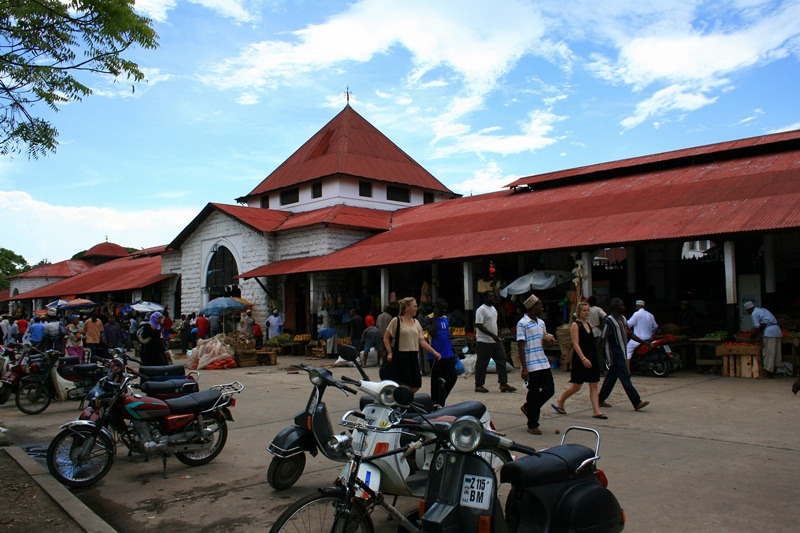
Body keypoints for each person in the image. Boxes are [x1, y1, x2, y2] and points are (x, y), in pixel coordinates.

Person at [553, 302, 606, 418]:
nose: (586, 313)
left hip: (592, 357)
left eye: (588, 310)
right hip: (581, 358)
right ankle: (561, 400)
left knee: (594, 385)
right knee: (577, 385)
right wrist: (583, 358)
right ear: (579, 312)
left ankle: (596, 411)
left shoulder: (588, 325)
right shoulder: (575, 325)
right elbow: (576, 343)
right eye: (584, 310)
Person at [598, 298, 650, 411]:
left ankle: (599, 399)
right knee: (625, 377)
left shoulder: (623, 319)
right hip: (614, 354)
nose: (623, 307)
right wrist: (595, 354)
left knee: (611, 378)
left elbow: (630, 334)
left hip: (622, 352)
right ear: (615, 307)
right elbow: (602, 338)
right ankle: (636, 402)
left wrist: (644, 342)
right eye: (621, 305)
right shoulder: (609, 321)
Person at [382, 297, 440, 393]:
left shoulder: (416, 322)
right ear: (407, 308)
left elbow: (421, 341)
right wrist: (390, 352)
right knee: (403, 383)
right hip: (400, 356)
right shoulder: (396, 321)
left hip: (413, 356)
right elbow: (386, 338)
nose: (417, 308)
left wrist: (434, 352)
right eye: (415, 306)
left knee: (416, 384)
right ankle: (401, 399)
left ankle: (402, 398)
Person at [516, 294, 555, 435]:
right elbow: (520, 347)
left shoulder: (541, 323)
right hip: (531, 364)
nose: (542, 308)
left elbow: (544, 340)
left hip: (543, 362)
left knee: (549, 390)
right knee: (533, 394)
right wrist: (524, 368)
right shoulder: (522, 323)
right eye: (540, 306)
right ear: (533, 307)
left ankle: (528, 408)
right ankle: (533, 424)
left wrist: (549, 342)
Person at [474, 291, 516, 393]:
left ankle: (503, 384)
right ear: (485, 298)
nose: (492, 298)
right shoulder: (481, 310)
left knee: (502, 360)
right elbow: (479, 325)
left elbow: (493, 324)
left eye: (493, 296)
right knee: (482, 364)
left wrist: (497, 334)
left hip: (495, 340)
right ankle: (479, 385)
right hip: (484, 341)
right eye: (490, 296)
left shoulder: (493, 309)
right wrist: (492, 335)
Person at [428, 298, 457, 407]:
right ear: (436, 308)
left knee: (452, 377)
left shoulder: (445, 319)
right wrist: (436, 317)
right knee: (436, 381)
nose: (444, 311)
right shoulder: (429, 319)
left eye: (445, 309)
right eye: (442, 309)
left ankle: (441, 398)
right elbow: (432, 333)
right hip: (436, 355)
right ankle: (435, 402)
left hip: (448, 354)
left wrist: (453, 351)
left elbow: (447, 337)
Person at [743, 300, 782, 378]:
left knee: (768, 352)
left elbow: (756, 327)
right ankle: (774, 372)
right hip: (777, 331)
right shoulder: (763, 310)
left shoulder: (754, 313)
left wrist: (751, 336)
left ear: (749, 309)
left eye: (747, 311)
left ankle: (767, 372)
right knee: (776, 352)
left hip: (769, 332)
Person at [626, 299, 658, 367]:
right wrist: (651, 333)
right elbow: (655, 326)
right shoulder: (650, 315)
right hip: (649, 339)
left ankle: (627, 369)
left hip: (638, 339)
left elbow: (628, 324)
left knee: (628, 349)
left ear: (638, 306)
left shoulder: (636, 314)